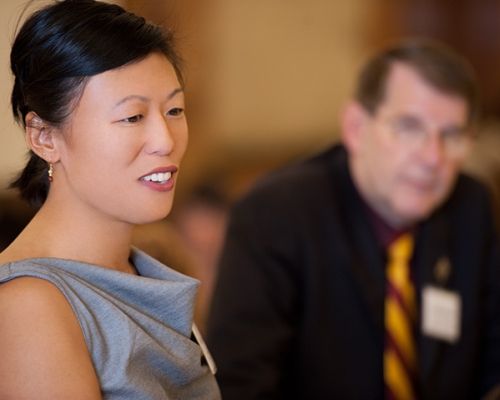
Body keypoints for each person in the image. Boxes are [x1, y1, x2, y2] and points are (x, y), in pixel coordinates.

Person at [206, 38, 500, 399]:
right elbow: (239, 386)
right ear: (356, 127)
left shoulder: (470, 207)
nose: (432, 158)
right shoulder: (275, 216)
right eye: (409, 128)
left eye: (452, 136)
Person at [0, 0, 220, 398]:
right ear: (44, 137)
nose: (166, 140)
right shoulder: (28, 305)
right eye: (133, 117)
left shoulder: (148, 268)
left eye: (174, 110)